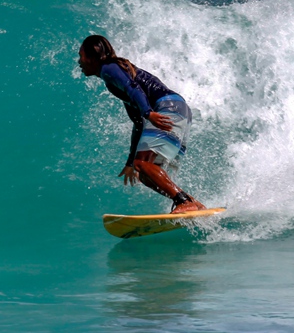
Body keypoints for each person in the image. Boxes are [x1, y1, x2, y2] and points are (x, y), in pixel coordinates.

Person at [78, 34, 205, 214]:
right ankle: (192, 202)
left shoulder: (108, 69)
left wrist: (149, 112)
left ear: (92, 57)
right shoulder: (116, 75)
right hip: (180, 108)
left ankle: (183, 201)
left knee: (143, 165)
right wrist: (131, 162)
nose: (79, 61)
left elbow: (133, 88)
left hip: (167, 106)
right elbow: (138, 123)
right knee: (145, 174)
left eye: (81, 56)